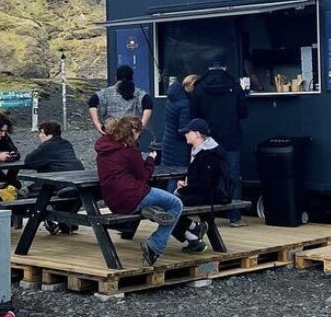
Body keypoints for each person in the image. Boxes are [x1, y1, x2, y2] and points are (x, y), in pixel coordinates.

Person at [95, 116, 184, 266]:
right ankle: (155, 245)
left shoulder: (103, 148)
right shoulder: (130, 150)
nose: (139, 136)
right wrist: (151, 160)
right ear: (132, 132)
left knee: (157, 202)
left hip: (113, 202)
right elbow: (144, 177)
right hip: (133, 196)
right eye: (138, 132)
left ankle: (151, 210)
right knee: (175, 204)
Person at [194, 61, 250, 226]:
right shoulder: (235, 86)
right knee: (233, 177)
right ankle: (235, 217)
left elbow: (194, 115)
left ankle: (208, 217)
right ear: (225, 68)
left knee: (208, 176)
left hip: (208, 140)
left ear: (208, 68)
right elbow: (243, 113)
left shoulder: (199, 87)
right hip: (231, 138)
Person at [171, 118, 231, 252]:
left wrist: (184, 189)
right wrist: (186, 184)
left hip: (211, 195)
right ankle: (194, 229)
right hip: (204, 192)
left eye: (188, 132)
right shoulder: (198, 150)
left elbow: (206, 184)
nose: (185, 134)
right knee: (168, 205)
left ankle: (193, 235)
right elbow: (199, 179)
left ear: (197, 134)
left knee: (169, 206)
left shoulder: (209, 154)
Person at [24, 120, 84, 234]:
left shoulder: (46, 146)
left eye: (41, 133)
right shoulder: (66, 144)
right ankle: (65, 221)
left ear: (48, 134)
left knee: (30, 193)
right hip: (76, 183)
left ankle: (49, 218)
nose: (40, 136)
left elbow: (29, 161)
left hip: (60, 186)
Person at [88, 64, 153, 133]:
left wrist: (97, 123)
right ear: (132, 78)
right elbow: (148, 104)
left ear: (116, 78)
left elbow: (92, 101)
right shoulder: (138, 93)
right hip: (130, 132)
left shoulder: (105, 93)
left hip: (110, 130)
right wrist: (141, 126)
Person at [161, 74, 198, 173]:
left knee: (167, 174)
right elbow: (183, 129)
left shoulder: (173, 96)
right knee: (179, 175)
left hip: (168, 141)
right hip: (179, 147)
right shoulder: (185, 103)